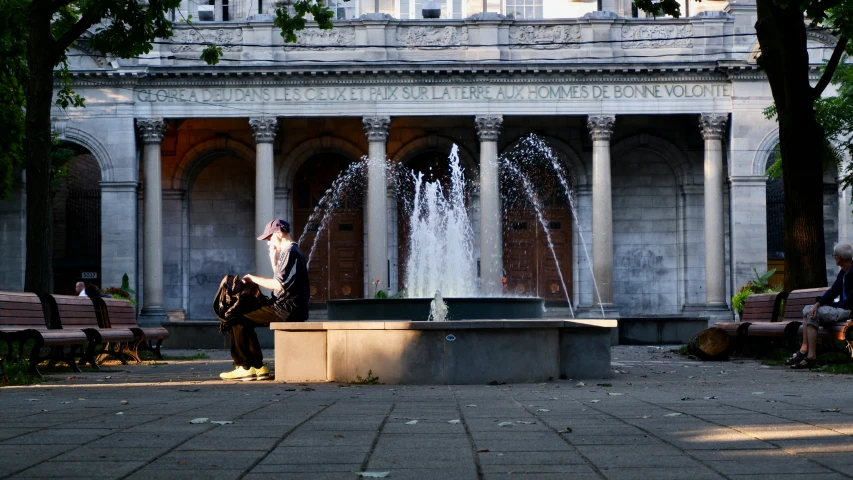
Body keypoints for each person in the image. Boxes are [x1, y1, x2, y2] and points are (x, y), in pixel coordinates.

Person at [219, 219, 310, 381]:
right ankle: (258, 368)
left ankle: (245, 366)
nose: (268, 243)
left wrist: (253, 279)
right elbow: (283, 282)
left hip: (285, 309)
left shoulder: (290, 252)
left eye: (269, 239)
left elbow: (278, 285)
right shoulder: (292, 251)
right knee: (242, 315)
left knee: (234, 317)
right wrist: (273, 259)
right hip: (289, 307)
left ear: (279, 233)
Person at [788, 243, 853, 369]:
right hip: (840, 308)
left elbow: (850, 301)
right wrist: (817, 304)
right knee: (808, 309)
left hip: (848, 310)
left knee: (812, 314)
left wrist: (833, 306)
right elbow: (832, 291)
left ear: (839, 258)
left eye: (835, 256)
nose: (834, 258)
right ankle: (803, 349)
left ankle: (811, 356)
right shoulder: (843, 273)